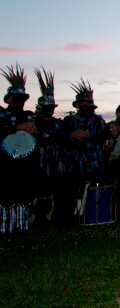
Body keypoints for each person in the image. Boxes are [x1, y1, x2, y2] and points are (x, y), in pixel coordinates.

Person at [61, 78, 107, 224]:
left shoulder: (99, 120)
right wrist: (71, 135)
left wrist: (90, 134)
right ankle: (75, 219)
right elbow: (62, 136)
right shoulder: (69, 120)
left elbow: (104, 134)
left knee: (94, 190)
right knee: (75, 190)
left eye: (88, 102)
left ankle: (94, 216)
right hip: (75, 162)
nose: (86, 105)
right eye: (83, 102)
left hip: (95, 162)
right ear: (77, 104)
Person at [0, 64, 39, 232]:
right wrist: (16, 127)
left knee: (24, 193)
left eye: (23, 98)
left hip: (25, 163)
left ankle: (21, 225)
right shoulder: (2, 114)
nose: (21, 101)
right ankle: (4, 226)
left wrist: (36, 132)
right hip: (6, 163)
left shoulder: (29, 115)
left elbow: (38, 139)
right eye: (17, 98)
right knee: (6, 194)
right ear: (8, 99)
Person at [33, 67, 64, 227]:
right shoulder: (34, 122)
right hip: (38, 165)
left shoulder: (57, 123)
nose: (51, 110)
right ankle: (37, 220)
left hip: (54, 163)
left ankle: (52, 219)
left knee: (53, 192)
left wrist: (50, 137)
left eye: (52, 108)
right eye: (48, 108)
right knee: (39, 193)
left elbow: (62, 137)